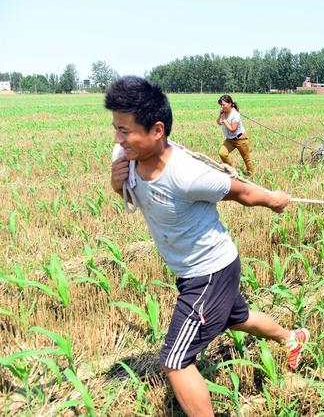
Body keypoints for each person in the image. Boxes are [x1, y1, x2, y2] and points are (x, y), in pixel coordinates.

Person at [107, 77, 310, 417]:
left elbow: (242, 192)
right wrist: (117, 184)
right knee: (238, 318)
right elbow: (128, 191)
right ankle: (292, 337)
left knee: (175, 360)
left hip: (209, 272)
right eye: (116, 129)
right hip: (201, 269)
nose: (118, 138)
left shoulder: (187, 175)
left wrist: (274, 199)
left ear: (157, 130)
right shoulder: (126, 158)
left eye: (125, 131)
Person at [217, 95, 254, 176]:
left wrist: (224, 119)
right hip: (229, 139)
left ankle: (251, 175)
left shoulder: (235, 115)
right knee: (222, 153)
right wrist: (220, 116)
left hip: (240, 139)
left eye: (223, 105)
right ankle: (234, 170)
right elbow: (218, 122)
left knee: (246, 159)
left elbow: (232, 129)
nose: (222, 107)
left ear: (230, 103)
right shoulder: (224, 113)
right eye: (221, 105)